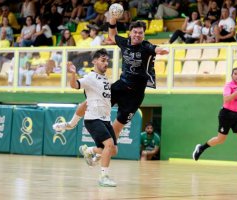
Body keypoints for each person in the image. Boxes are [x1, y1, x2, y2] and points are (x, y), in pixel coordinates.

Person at [53, 19, 169, 140]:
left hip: (135, 95)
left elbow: (156, 48)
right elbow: (112, 35)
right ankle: (71, 124)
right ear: (130, 33)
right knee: (90, 102)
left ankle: (99, 153)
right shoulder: (125, 42)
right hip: (121, 86)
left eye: (140, 33)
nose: (137, 35)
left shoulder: (146, 46)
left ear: (144, 34)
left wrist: (162, 50)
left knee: (116, 129)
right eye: (135, 32)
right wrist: (113, 19)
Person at [192, 68, 237, 171]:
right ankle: (201, 148)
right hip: (226, 114)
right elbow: (226, 99)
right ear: (232, 75)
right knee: (220, 139)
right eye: (235, 74)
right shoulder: (228, 86)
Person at [70, 48, 118, 187]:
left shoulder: (105, 79)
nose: (105, 63)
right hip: (93, 118)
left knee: (113, 150)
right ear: (94, 61)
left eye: (107, 61)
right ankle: (104, 177)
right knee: (108, 145)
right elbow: (74, 85)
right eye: (103, 60)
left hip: (105, 119)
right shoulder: (89, 77)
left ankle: (88, 150)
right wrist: (73, 74)